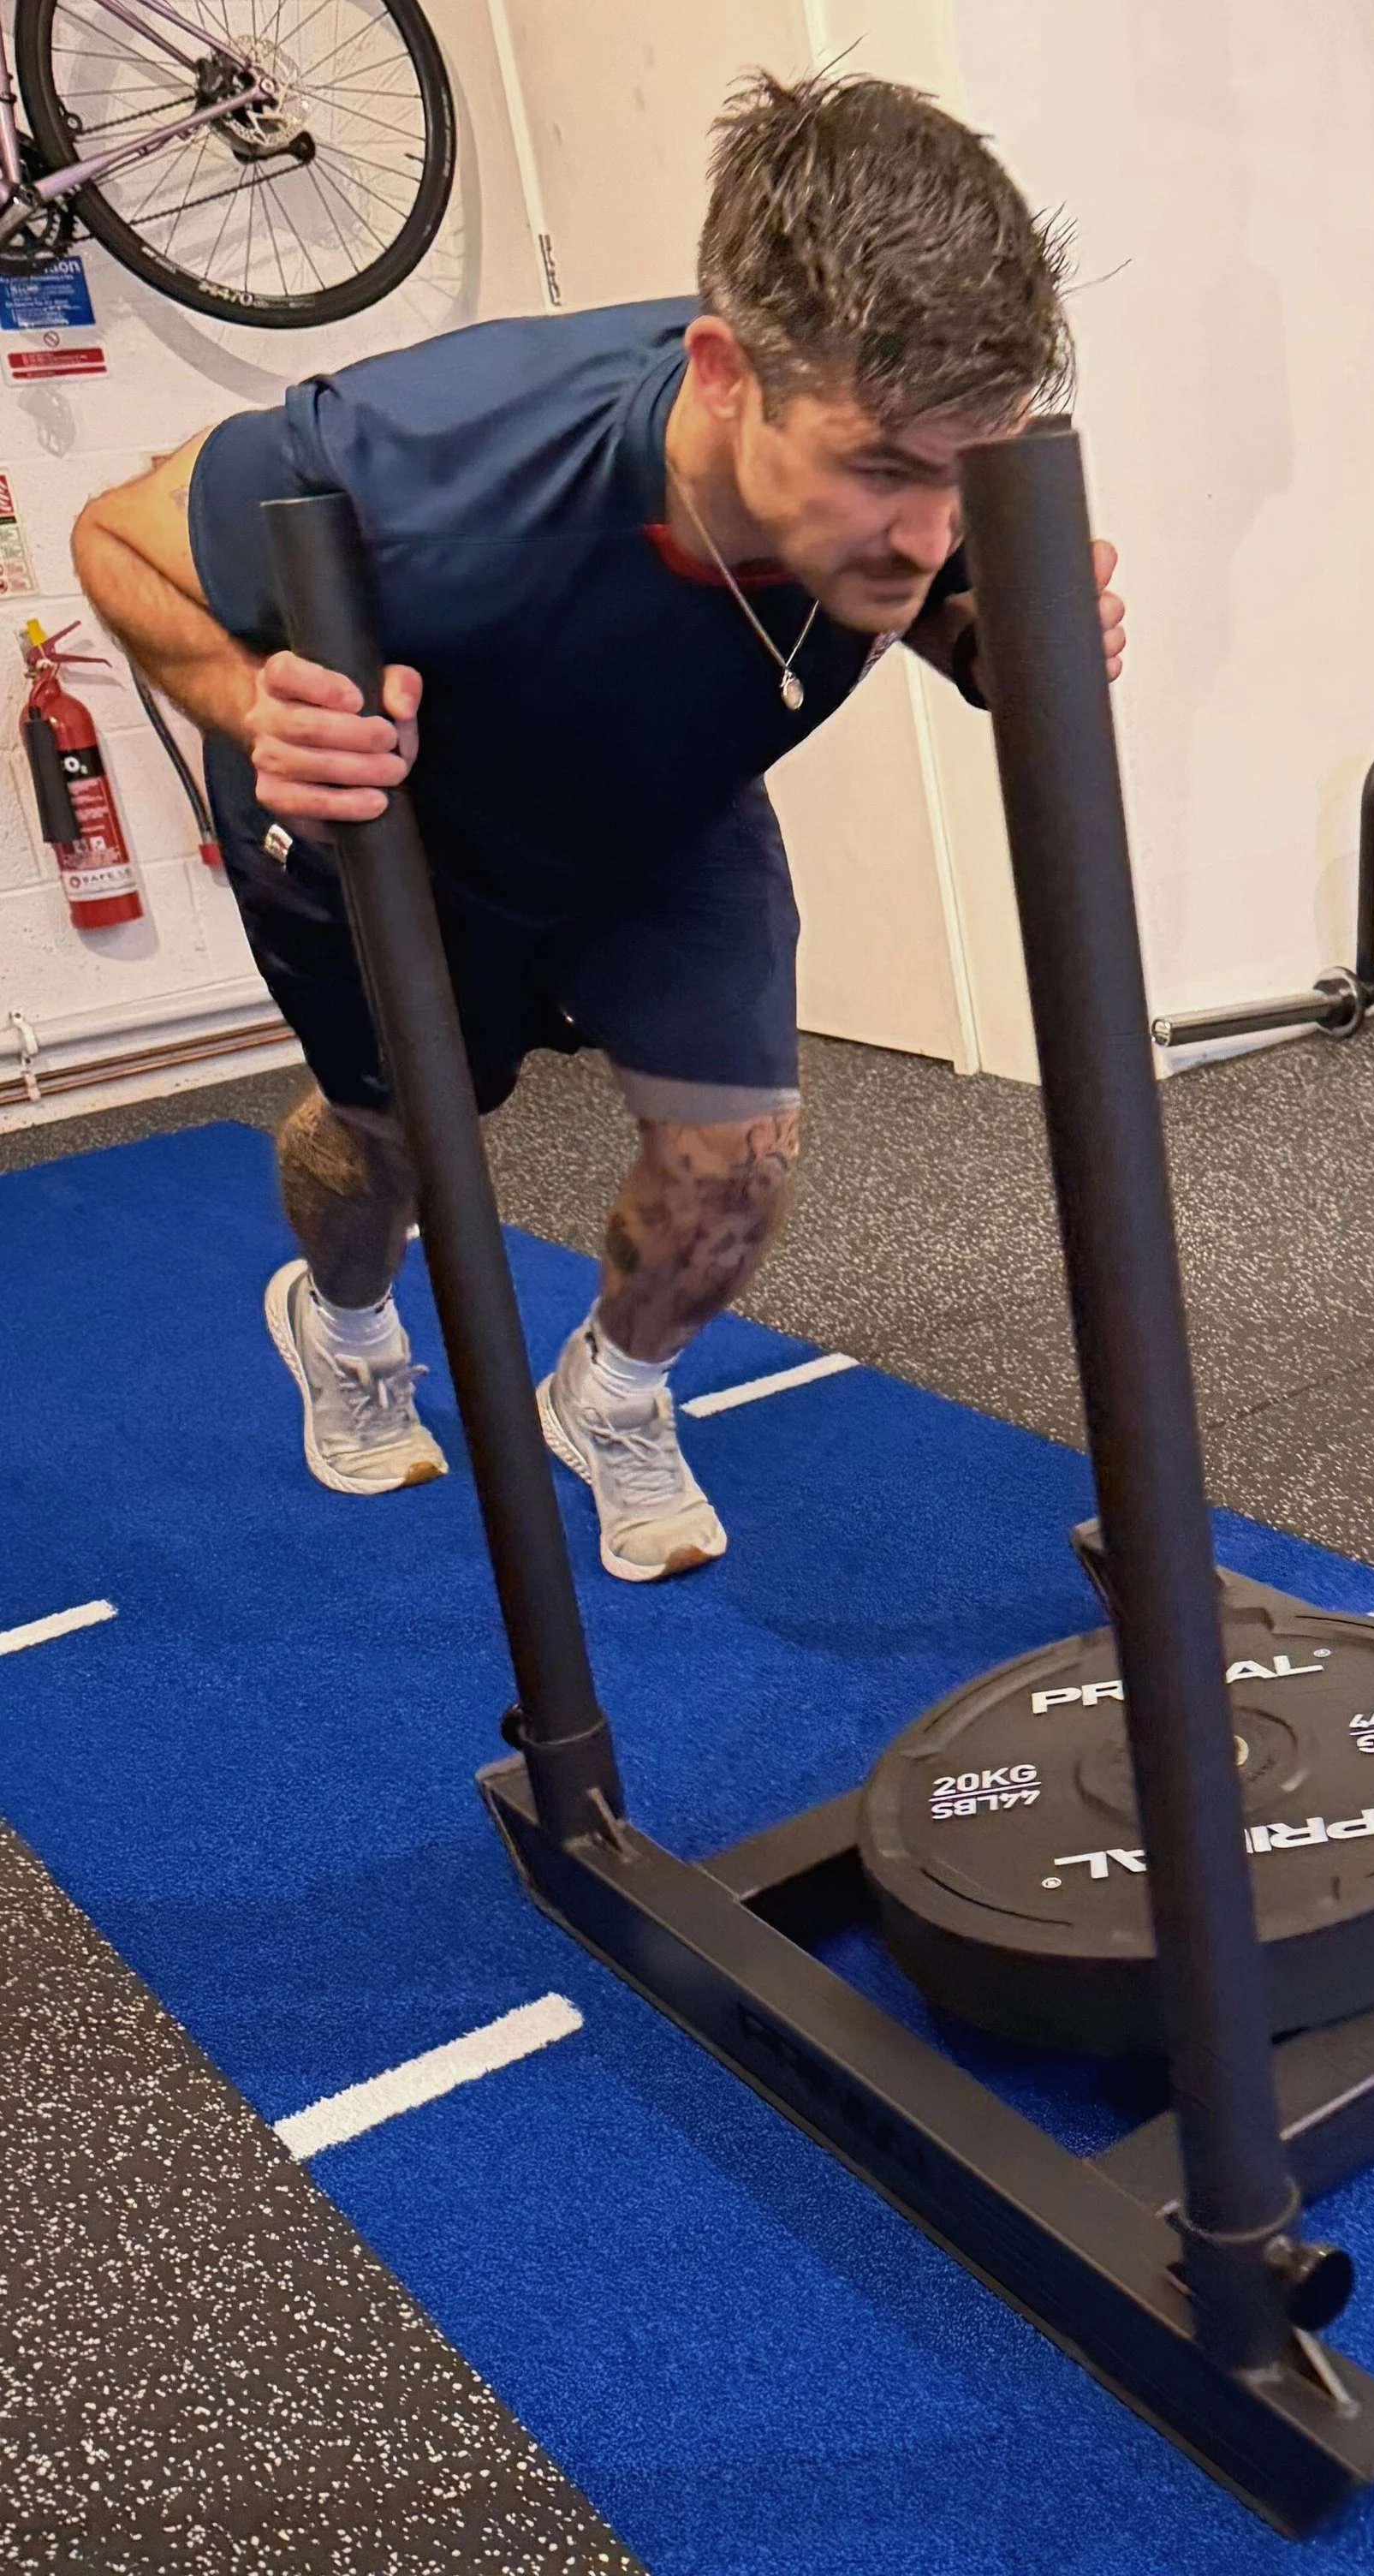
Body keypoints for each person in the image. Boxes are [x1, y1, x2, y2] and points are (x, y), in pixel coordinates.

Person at [72, 69, 1125, 1584]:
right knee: (397, 1147)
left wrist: (990, 634)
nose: (929, 530)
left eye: (969, 478)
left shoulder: (929, 469)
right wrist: (251, 705)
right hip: (398, 817)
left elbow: (939, 574)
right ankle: (347, 1325)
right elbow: (115, 536)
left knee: (736, 1163)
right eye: (883, 474)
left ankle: (611, 1394)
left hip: (664, 801)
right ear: (718, 373)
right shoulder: (439, 457)